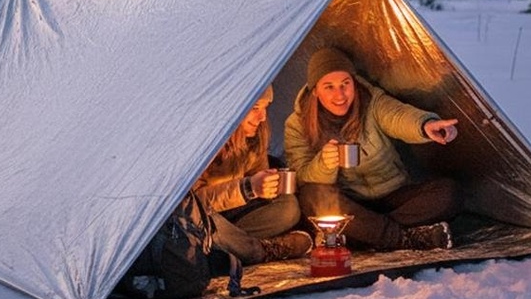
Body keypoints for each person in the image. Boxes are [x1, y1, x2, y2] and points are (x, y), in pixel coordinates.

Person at [283, 47, 463, 252]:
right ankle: (403, 238)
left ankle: (364, 236)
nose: (339, 95)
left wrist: (425, 125)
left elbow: (398, 116)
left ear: (354, 82)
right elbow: (302, 176)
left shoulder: (372, 101)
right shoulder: (297, 124)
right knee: (311, 195)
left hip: (393, 197)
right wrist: (324, 164)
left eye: (345, 84)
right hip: (350, 204)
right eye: (329, 87)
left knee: (450, 193)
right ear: (315, 90)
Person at [195, 85, 312, 265]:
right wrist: (248, 188)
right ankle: (259, 250)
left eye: (265, 108)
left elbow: (257, 180)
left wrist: (268, 185)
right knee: (210, 227)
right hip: (207, 217)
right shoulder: (202, 142)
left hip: (238, 216)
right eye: (255, 108)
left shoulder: (256, 134)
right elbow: (191, 204)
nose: (262, 117)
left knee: (289, 206)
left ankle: (231, 247)